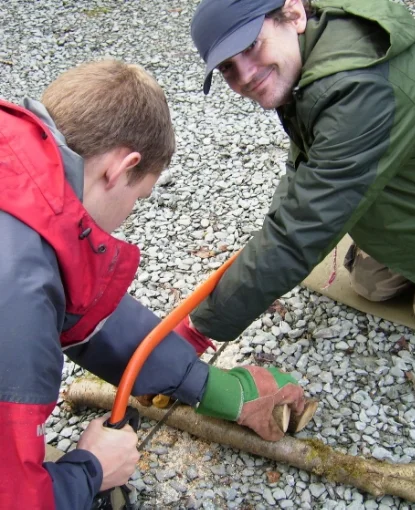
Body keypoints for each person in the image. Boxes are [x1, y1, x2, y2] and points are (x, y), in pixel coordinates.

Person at [0, 59, 305, 510]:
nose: (128, 217)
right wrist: (89, 469)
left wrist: (211, 386)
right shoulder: (18, 300)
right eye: (138, 197)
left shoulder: (22, 180)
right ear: (122, 167)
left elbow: (86, 311)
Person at [178, 0, 415, 349]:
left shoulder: (356, 88)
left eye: (251, 45)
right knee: (369, 284)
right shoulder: (313, 55)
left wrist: (199, 328)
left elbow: (303, 228)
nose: (245, 76)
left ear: (294, 15)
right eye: (227, 67)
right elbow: (308, 168)